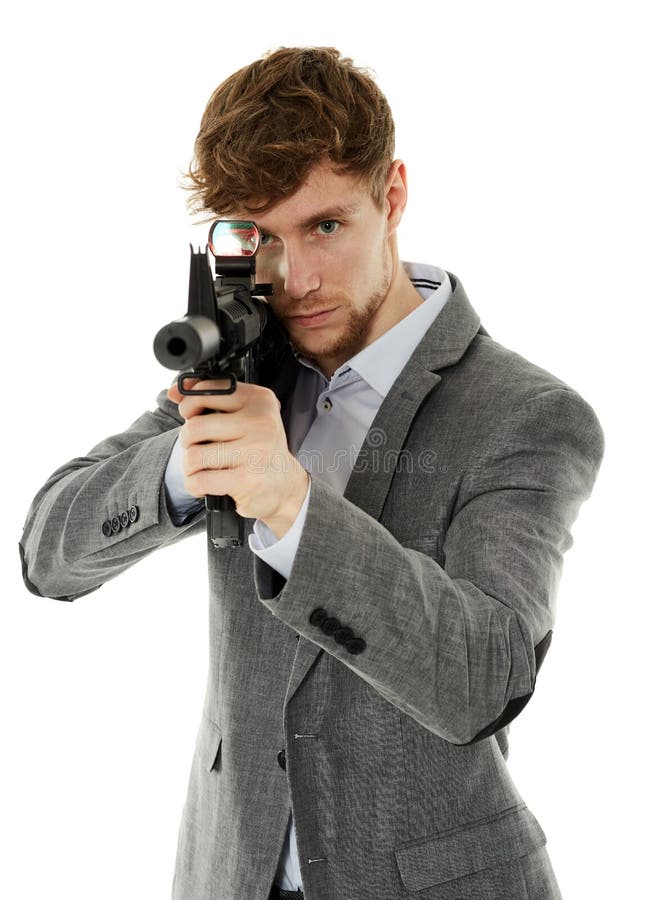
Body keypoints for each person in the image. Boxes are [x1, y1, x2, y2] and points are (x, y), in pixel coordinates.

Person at [19, 46, 605, 900]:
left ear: (391, 195)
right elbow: (46, 553)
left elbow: (482, 678)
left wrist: (290, 503)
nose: (293, 279)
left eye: (325, 226)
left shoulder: (527, 415)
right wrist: (188, 462)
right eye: (260, 238)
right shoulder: (248, 372)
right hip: (229, 873)